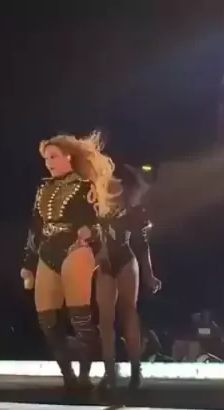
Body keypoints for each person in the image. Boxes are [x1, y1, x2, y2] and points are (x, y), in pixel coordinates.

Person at [20, 131, 117, 392]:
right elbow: (35, 227)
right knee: (46, 319)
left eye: (53, 157)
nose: (48, 163)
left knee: (79, 317)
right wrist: (28, 263)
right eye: (46, 158)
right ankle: (68, 376)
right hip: (48, 249)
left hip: (76, 248)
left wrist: (89, 232)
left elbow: (102, 221)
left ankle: (86, 374)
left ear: (69, 157)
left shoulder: (86, 186)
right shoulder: (43, 188)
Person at [96, 165, 161, 392]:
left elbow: (142, 245)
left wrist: (149, 275)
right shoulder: (97, 208)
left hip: (124, 258)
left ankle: (135, 369)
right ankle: (110, 372)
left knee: (128, 313)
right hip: (105, 263)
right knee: (105, 320)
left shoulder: (132, 209)